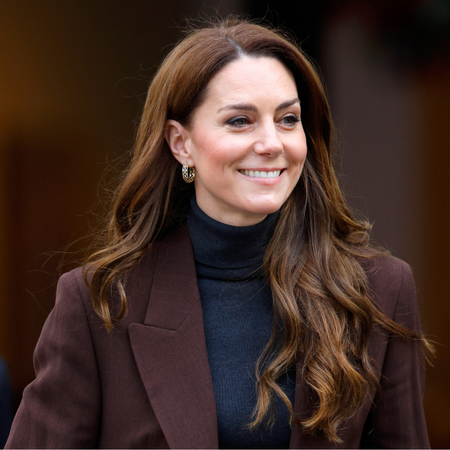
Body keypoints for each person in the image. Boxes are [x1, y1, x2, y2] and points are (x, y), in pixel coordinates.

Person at [6, 18, 432, 449]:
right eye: (240, 121)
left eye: (288, 119)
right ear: (180, 143)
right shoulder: (101, 302)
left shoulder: (380, 290)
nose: (271, 143)